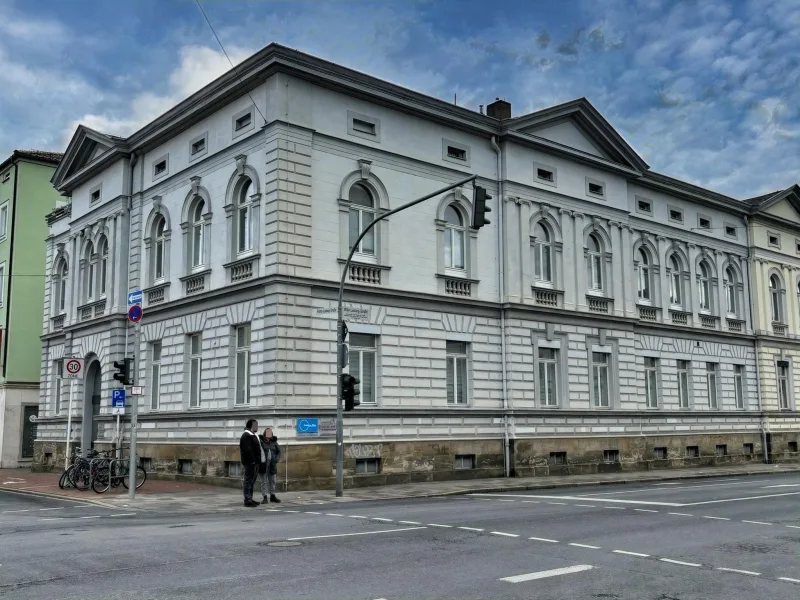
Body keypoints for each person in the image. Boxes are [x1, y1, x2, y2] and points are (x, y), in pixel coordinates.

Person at [239, 419, 262, 507]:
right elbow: (246, 450)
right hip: (250, 462)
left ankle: (250, 498)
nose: (257, 427)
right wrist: (252, 460)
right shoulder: (246, 436)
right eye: (255, 425)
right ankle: (247, 500)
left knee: (252, 481)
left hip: (255, 462)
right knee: (248, 481)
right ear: (250, 426)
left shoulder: (254, 435)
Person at [258, 427, 282, 504]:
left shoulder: (274, 442)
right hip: (263, 465)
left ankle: (272, 496)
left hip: (272, 464)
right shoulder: (261, 442)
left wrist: (276, 459)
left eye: (270, 433)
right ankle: (265, 497)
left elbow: (279, 451)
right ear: (265, 434)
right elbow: (257, 452)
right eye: (267, 432)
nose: (269, 434)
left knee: (273, 481)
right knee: (264, 481)